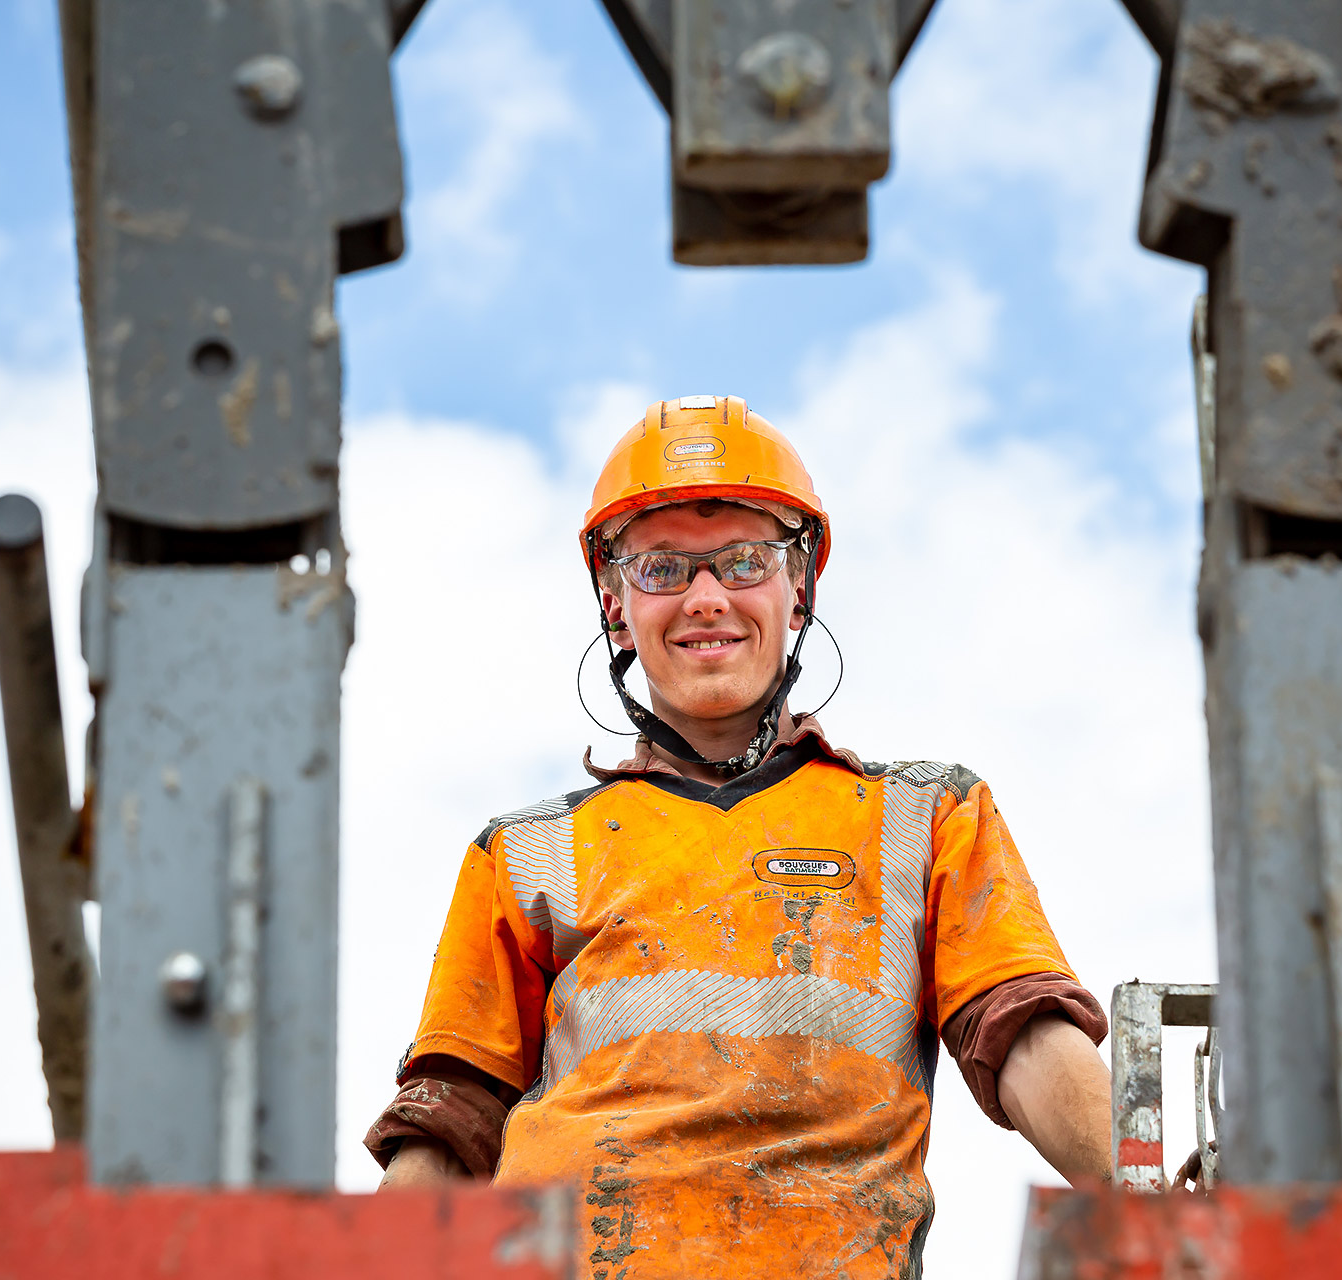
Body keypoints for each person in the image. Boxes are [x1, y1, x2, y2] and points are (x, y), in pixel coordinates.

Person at [366, 395, 1111, 1279]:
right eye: (664, 568)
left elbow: (1024, 1037)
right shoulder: (524, 854)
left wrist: (1166, 1207)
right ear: (615, 602)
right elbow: (449, 1120)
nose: (707, 598)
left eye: (745, 561)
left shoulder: (925, 818)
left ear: (800, 589)